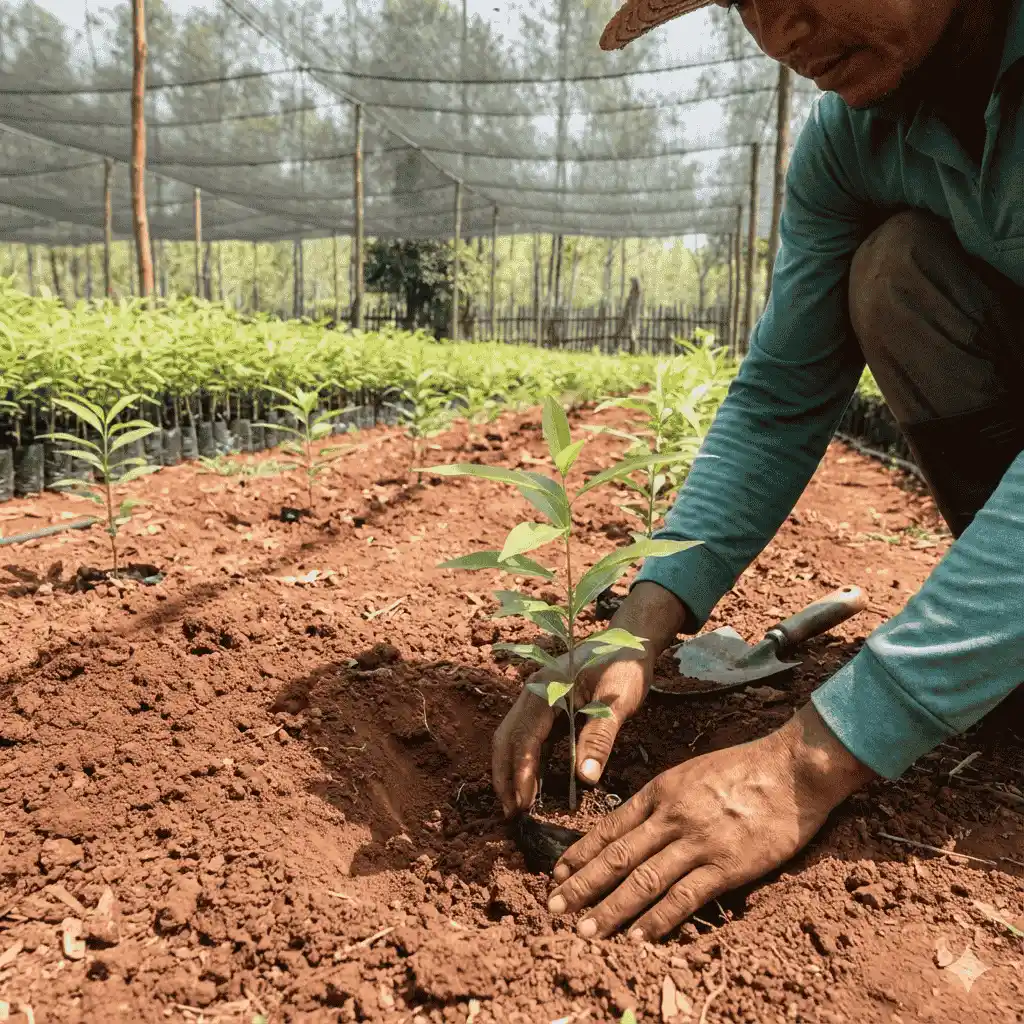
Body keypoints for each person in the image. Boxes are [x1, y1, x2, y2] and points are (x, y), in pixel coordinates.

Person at [491, 0, 1024, 943]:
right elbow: (781, 396)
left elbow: (800, 766)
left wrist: (803, 764)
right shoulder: (853, 139)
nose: (780, 34)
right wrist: (638, 628)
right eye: (744, 1)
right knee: (897, 273)